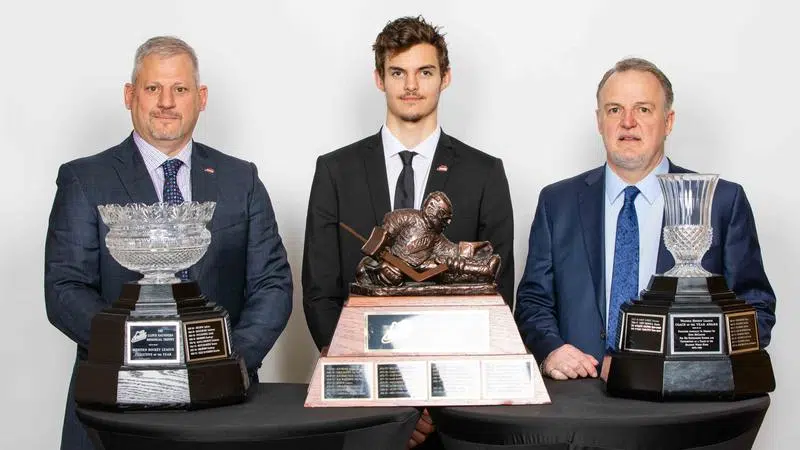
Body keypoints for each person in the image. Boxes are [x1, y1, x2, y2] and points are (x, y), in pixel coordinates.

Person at [44, 36, 292, 449]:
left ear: (201, 97)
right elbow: (64, 288)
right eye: (152, 88)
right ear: (130, 95)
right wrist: (137, 351)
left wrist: (230, 360)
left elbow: (272, 284)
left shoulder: (240, 179)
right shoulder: (84, 180)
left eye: (180, 89)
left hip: (223, 406)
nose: (166, 102)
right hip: (115, 406)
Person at [302, 16, 513, 449]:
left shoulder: (485, 173)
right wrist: (387, 393)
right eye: (398, 72)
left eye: (425, 72)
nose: (411, 85)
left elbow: (496, 294)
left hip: (457, 408)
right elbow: (319, 291)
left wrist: (435, 396)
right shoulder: (334, 171)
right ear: (379, 79)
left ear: (445, 78)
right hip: (362, 406)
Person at [515, 57, 776, 381]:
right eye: (614, 110)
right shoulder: (557, 202)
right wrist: (552, 349)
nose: (627, 122)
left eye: (643, 109)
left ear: (668, 121)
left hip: (681, 407)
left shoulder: (720, 201)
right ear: (599, 121)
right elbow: (532, 301)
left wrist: (686, 362)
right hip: (579, 399)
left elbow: (757, 311)